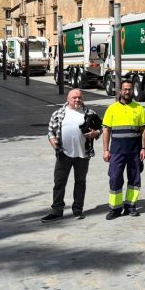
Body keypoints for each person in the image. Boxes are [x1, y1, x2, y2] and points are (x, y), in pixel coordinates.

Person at [42, 89, 101, 222]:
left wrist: (95, 133)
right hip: (63, 154)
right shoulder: (58, 113)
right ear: (68, 99)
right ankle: (57, 211)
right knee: (59, 183)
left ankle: (77, 210)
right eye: (74, 97)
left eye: (79, 97)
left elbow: (100, 127)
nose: (77, 100)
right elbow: (50, 131)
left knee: (80, 183)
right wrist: (54, 144)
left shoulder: (90, 113)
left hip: (83, 154)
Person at [102, 80, 145, 220]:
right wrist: (106, 150)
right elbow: (106, 130)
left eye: (130, 89)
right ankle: (115, 208)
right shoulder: (112, 108)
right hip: (117, 151)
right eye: (125, 89)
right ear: (120, 91)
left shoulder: (139, 108)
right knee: (115, 178)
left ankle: (130, 206)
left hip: (134, 151)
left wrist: (144, 148)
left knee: (134, 179)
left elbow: (143, 130)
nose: (127, 92)